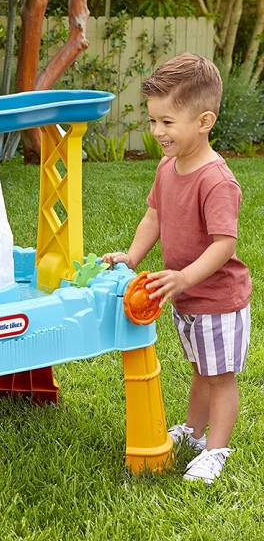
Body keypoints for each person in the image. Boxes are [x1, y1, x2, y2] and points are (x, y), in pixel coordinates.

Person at [103, 53, 251, 484]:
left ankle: (215, 450)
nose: (156, 131)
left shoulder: (216, 180)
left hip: (218, 300)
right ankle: (193, 430)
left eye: (167, 122)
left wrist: (185, 277)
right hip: (185, 297)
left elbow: (224, 245)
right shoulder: (167, 166)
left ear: (204, 121)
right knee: (200, 369)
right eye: (153, 121)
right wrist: (133, 256)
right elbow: (154, 215)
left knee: (220, 377)